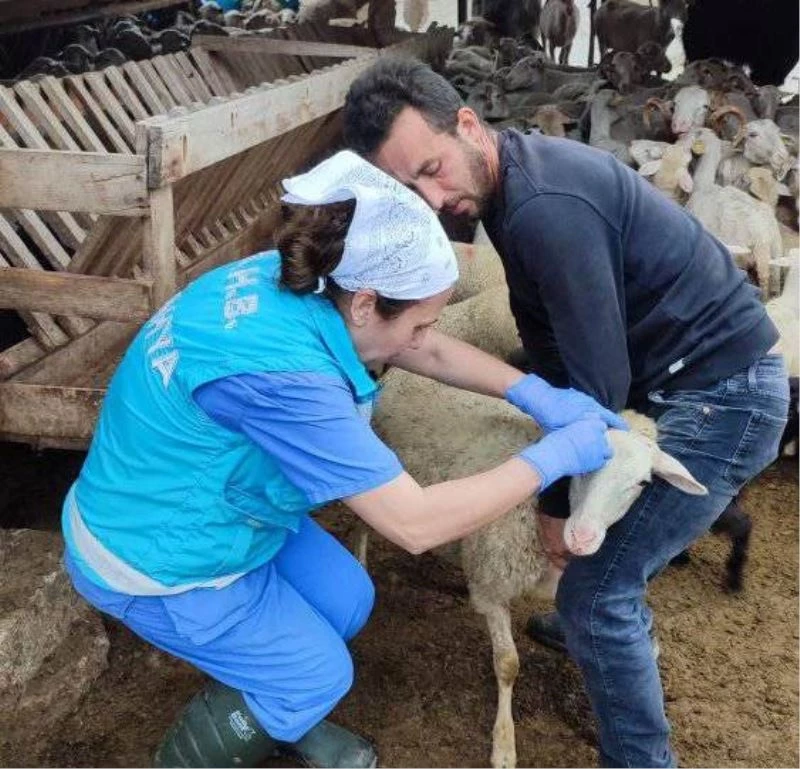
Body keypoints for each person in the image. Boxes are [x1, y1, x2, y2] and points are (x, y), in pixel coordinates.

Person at [61, 150, 622, 769]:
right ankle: (222, 736)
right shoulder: (286, 379)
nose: (423, 337)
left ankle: (275, 706)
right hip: (157, 556)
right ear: (365, 303)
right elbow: (415, 524)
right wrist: (551, 458)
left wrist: (531, 392)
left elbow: (421, 347)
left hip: (211, 504)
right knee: (322, 675)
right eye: (421, 321)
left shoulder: (292, 280)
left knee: (347, 601)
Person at [342, 58, 790, 768]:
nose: (433, 196)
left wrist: (553, 499)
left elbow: (596, 381)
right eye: (410, 186)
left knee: (594, 591)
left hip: (723, 393)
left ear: (466, 125)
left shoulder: (546, 207)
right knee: (601, 565)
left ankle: (638, 753)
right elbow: (550, 339)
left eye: (433, 167)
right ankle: (600, 617)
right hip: (677, 376)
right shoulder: (511, 188)